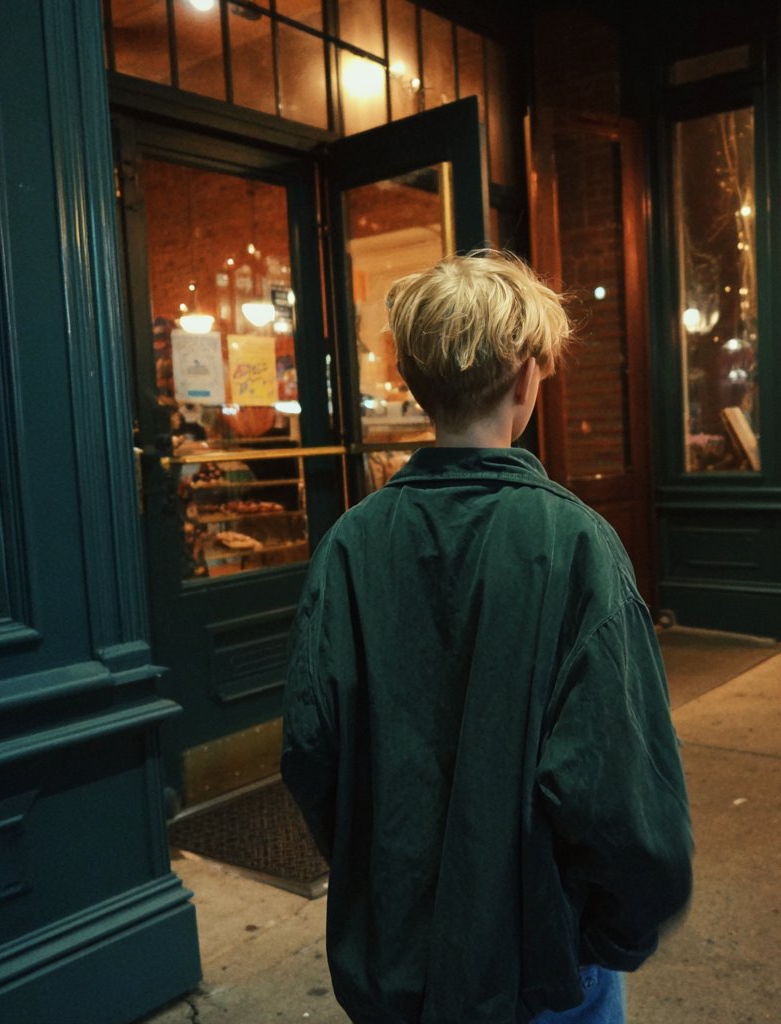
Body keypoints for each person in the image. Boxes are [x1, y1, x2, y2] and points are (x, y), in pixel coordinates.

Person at [281, 250, 694, 1024]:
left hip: (395, 961)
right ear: (527, 377)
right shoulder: (577, 546)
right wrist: (609, 937)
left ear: (411, 380)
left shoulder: (350, 545)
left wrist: (381, 879)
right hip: (540, 966)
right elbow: (623, 801)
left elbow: (312, 750)